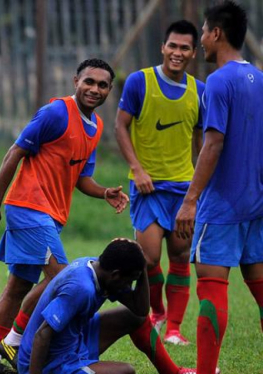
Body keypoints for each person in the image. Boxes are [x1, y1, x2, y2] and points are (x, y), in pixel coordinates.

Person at [0, 59, 129, 374]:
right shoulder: (56, 112)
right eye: (89, 81)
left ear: (109, 90)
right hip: (29, 207)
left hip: (50, 216)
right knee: (64, 277)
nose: (94, 89)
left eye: (102, 85)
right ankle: (16, 340)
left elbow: (81, 177)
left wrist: (104, 193)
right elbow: (14, 152)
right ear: (76, 81)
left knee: (18, 286)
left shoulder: (96, 127)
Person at [175, 2, 263, 373]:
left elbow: (213, 144)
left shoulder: (218, 81)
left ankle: (206, 372)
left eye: (204, 34)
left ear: (216, 34)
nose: (201, 45)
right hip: (256, 205)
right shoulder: (259, 79)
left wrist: (190, 201)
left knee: (211, 289)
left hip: (223, 207)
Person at [114, 20, 205, 345]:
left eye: (184, 48)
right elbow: (120, 127)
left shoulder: (199, 91)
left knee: (180, 256)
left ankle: (174, 329)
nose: (177, 53)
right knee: (149, 258)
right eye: (172, 46)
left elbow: (202, 144)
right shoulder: (140, 81)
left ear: (193, 52)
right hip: (147, 189)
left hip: (183, 190)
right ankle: (157, 311)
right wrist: (137, 169)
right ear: (163, 47)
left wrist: (199, 187)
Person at [18, 238, 201, 374]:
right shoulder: (81, 288)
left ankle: (173, 372)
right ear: (116, 275)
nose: (129, 286)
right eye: (130, 281)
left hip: (74, 342)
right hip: (49, 363)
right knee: (125, 371)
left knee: (133, 318)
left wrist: (142, 266)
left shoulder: (101, 270)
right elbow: (42, 334)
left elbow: (140, 309)